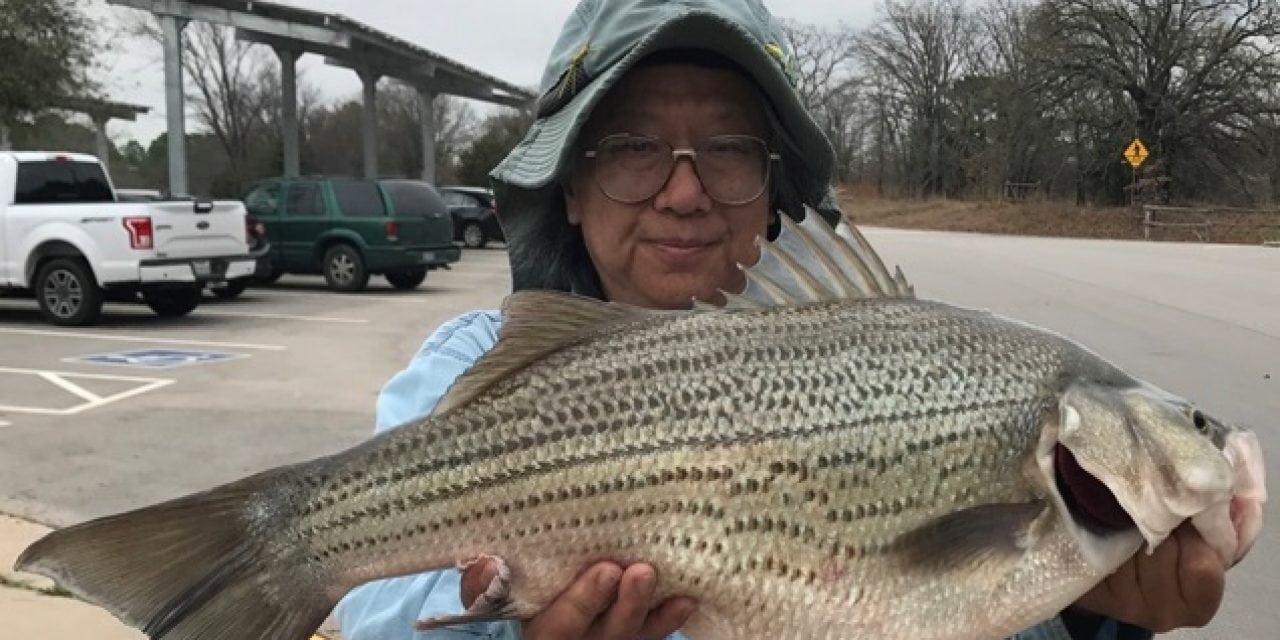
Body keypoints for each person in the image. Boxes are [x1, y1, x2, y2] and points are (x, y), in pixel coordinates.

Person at [333, 1, 1229, 638]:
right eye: (633, 146)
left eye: (728, 149)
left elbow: (933, 607)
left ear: (774, 188)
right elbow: (375, 617)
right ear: (567, 186)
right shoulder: (475, 366)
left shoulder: (919, 354)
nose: (683, 192)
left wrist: (1085, 610)